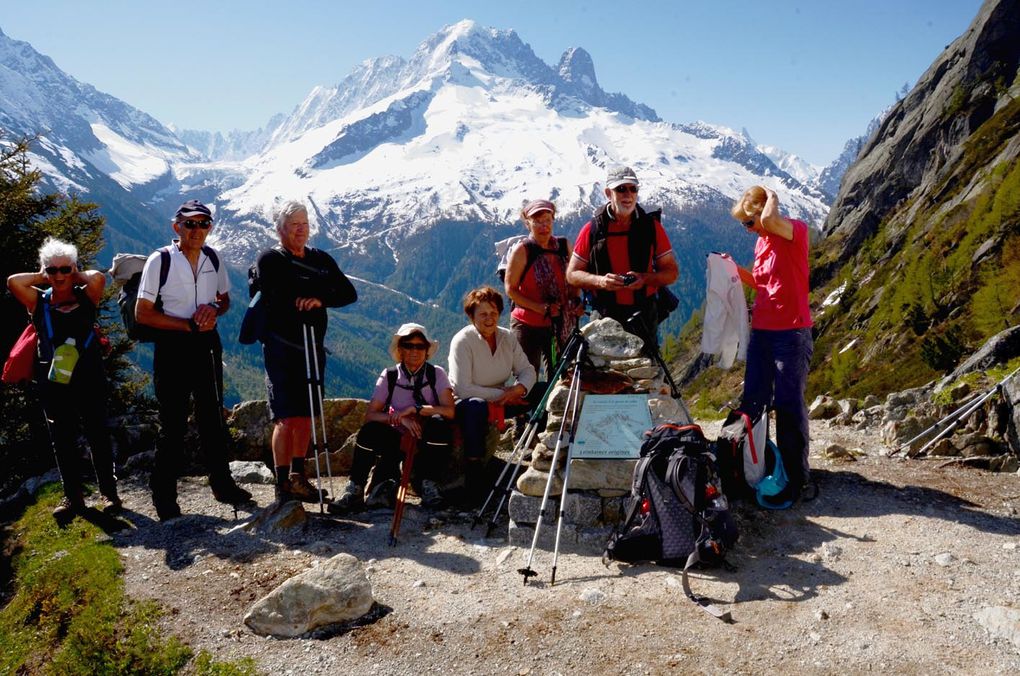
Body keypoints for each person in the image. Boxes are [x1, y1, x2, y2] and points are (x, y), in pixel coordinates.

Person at [135, 199, 252, 521]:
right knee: (172, 424)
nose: (197, 230)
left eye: (204, 224)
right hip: (172, 347)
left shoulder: (213, 257)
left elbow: (224, 299)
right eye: (190, 224)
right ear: (177, 227)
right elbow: (142, 313)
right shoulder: (160, 261)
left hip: (206, 344)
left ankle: (223, 486)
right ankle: (164, 498)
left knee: (212, 418)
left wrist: (213, 310)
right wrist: (187, 323)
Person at [7, 238, 120, 519]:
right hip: (53, 379)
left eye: (65, 270)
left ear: (74, 270)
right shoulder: (38, 302)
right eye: (52, 271)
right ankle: (73, 498)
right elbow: (13, 282)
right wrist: (43, 271)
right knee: (62, 438)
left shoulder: (87, 295)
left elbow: (96, 277)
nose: (59, 276)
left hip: (89, 376)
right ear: (46, 272)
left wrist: (72, 269)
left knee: (98, 433)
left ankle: (109, 493)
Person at [256, 200, 357, 504]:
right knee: (286, 417)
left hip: (312, 346)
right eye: (294, 225)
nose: (300, 230)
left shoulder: (321, 259)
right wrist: (309, 295)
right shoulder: (270, 260)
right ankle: (282, 481)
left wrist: (319, 298)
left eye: (304, 224)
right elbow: (273, 294)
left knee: (308, 415)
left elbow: (347, 293)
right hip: (281, 347)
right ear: (280, 229)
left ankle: (299, 477)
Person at [730, 185, 814, 503]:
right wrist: (737, 272)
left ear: (764, 212)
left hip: (790, 333)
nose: (748, 230)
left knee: (789, 405)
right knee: (754, 401)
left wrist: (769, 195)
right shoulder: (763, 243)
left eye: (749, 223)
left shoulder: (794, 232)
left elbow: (770, 218)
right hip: (762, 332)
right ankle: (758, 468)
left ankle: (795, 478)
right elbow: (764, 284)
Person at [328, 323, 454, 515]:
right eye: (408, 346)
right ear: (400, 349)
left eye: (420, 346)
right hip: (395, 439)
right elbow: (371, 415)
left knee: (440, 426)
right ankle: (355, 488)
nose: (414, 351)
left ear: (427, 350)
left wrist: (418, 409)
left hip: (425, 439)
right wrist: (400, 420)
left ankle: (429, 484)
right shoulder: (390, 376)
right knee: (369, 431)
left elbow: (449, 411)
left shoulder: (436, 374)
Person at [565, 165, 679, 346]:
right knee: (604, 373)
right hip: (604, 314)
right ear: (608, 193)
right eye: (621, 189)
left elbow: (671, 273)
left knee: (646, 371)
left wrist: (644, 278)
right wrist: (600, 281)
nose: (628, 194)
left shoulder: (651, 228)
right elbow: (572, 274)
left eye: (633, 188)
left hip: (644, 314)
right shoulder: (592, 230)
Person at [448, 286, 538, 503]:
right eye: (483, 314)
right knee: (475, 406)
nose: (489, 319)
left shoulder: (507, 337)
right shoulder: (463, 341)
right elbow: (463, 388)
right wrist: (502, 393)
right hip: (468, 401)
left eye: (494, 313)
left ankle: (542, 458)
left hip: (505, 396)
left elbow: (528, 370)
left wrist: (519, 389)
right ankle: (474, 474)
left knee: (543, 392)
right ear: (472, 316)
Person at [503, 199, 582, 378]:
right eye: (537, 221)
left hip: (559, 322)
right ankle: (532, 407)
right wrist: (541, 308)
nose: (543, 226)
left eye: (547, 220)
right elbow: (511, 289)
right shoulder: (522, 250)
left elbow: (573, 279)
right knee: (527, 376)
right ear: (527, 223)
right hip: (527, 325)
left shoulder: (563, 246)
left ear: (553, 220)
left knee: (562, 375)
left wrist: (575, 300)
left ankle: (554, 406)